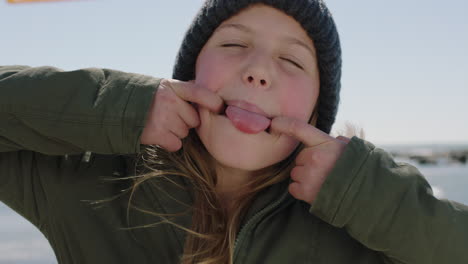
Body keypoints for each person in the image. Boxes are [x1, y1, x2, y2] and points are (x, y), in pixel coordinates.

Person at [1, 0, 467, 263]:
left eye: (291, 60)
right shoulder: (89, 184)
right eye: (233, 44)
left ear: (315, 112)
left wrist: (369, 195)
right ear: (187, 76)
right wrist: (119, 109)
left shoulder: (358, 226)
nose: (259, 71)